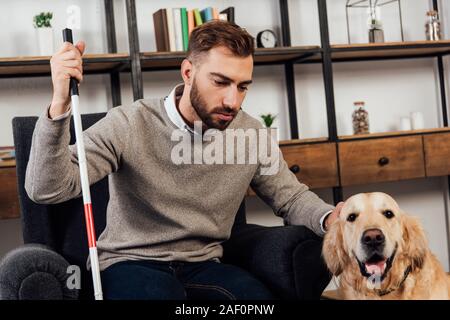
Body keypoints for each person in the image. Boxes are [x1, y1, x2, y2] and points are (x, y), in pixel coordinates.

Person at [25, 20, 343, 300]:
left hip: (204, 265)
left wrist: (330, 220)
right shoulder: (129, 123)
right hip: (129, 263)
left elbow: (291, 197)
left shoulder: (251, 134)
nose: (233, 100)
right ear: (188, 72)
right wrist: (59, 103)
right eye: (220, 82)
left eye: (242, 86)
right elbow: (46, 189)